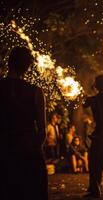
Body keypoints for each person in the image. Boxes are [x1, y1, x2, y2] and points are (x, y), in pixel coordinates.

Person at [0, 46, 48, 199]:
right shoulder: (36, 92)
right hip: (29, 151)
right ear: (27, 67)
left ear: (9, 63)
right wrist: (33, 149)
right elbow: (42, 132)